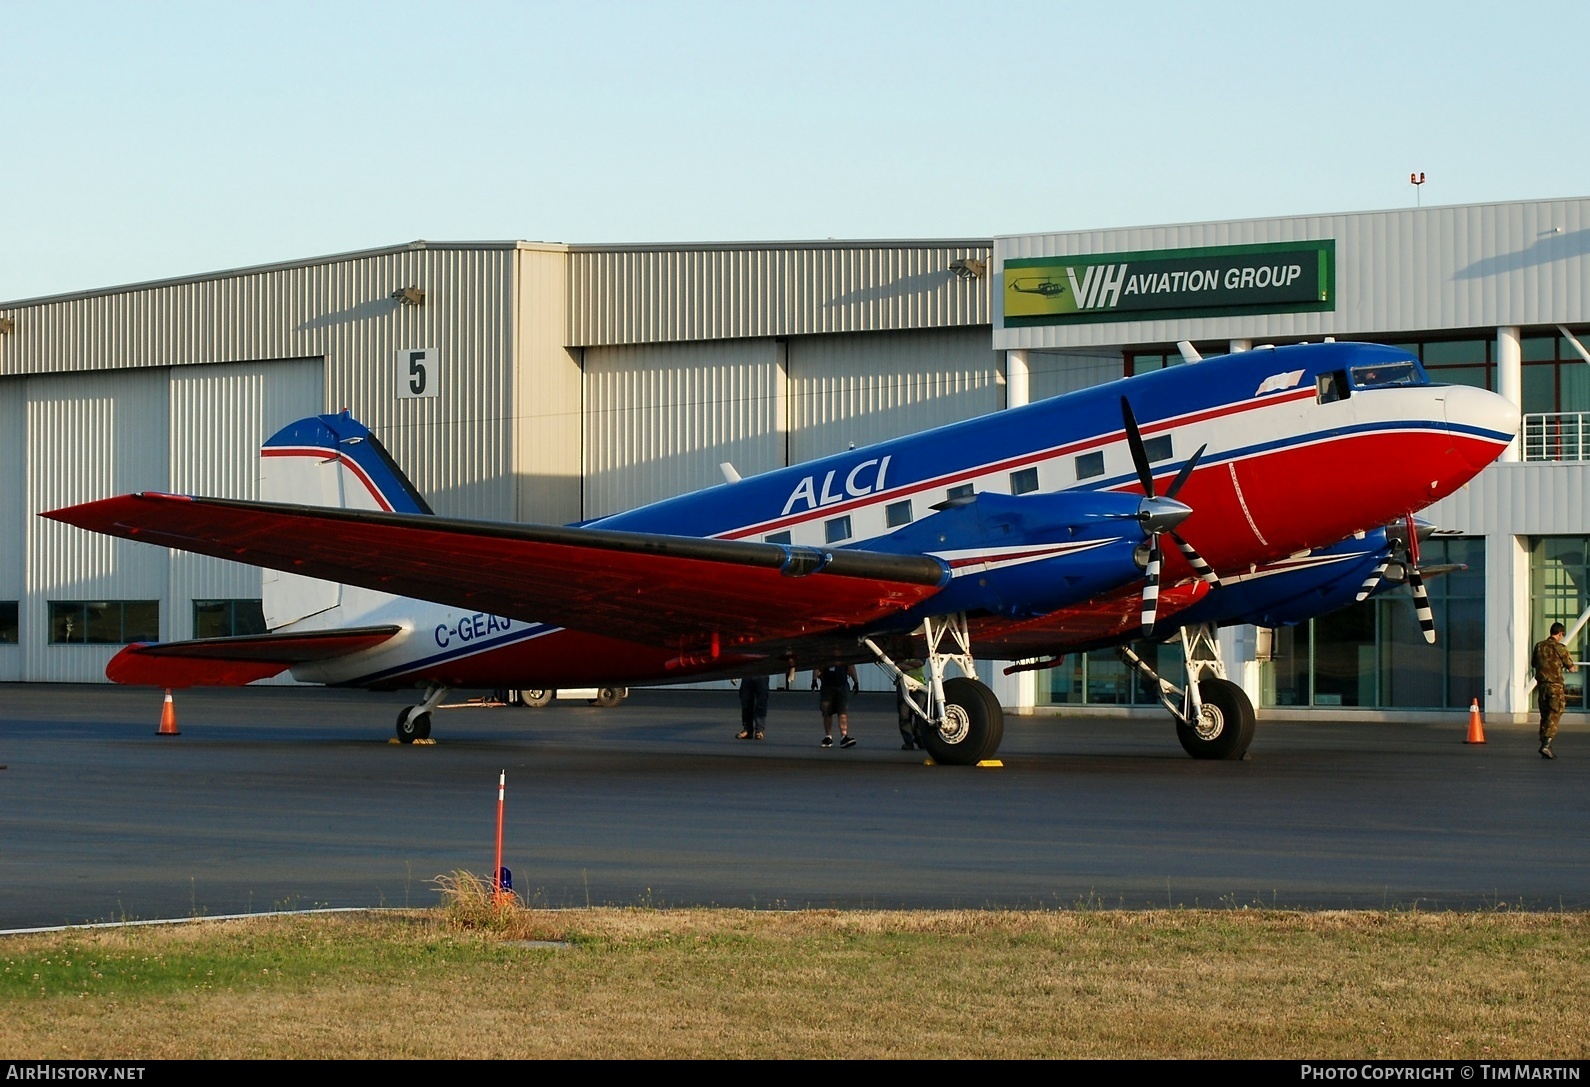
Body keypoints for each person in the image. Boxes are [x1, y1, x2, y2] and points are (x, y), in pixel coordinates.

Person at [1533, 622, 1578, 760]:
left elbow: (1534, 663)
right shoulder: (1560, 648)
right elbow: (1572, 668)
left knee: (1545, 715)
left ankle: (1545, 746)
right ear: (1560, 633)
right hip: (1555, 686)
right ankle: (1546, 744)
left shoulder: (1539, 646)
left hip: (1542, 686)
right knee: (1554, 715)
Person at [812, 663, 859, 748]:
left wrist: (856, 681)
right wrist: (814, 679)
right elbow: (817, 666)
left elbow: (851, 666)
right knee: (827, 712)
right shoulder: (825, 653)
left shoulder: (845, 654)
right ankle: (828, 737)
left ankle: (844, 736)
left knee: (842, 711)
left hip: (842, 685)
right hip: (827, 686)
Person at [895, 660, 926, 750]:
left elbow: (920, 663)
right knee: (904, 715)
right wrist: (912, 666)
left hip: (919, 686)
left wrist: (904, 666)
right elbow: (898, 665)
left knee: (920, 714)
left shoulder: (919, 651)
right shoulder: (900, 653)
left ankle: (919, 737)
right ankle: (908, 742)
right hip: (903, 686)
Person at [736, 674, 770, 740]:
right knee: (745, 700)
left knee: (761, 701)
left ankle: (759, 730)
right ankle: (747, 729)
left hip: (762, 672)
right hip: (747, 672)